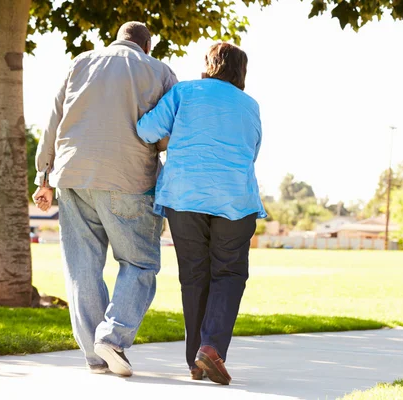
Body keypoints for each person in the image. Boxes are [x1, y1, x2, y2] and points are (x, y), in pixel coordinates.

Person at [33, 21, 177, 377]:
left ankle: (96, 359)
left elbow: (54, 120)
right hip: (128, 176)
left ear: (116, 39)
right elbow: (169, 130)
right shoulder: (160, 71)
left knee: (82, 267)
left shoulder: (80, 62)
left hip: (72, 176)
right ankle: (112, 339)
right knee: (140, 263)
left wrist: (43, 178)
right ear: (147, 45)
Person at [136, 42, 266, 385]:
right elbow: (252, 151)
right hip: (235, 200)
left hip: (184, 196)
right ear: (241, 72)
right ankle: (210, 348)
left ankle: (196, 361)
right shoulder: (250, 105)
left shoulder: (184, 92)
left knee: (194, 277)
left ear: (209, 64)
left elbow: (147, 130)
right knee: (229, 274)